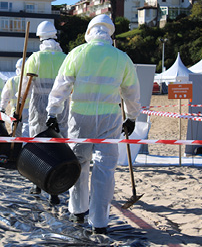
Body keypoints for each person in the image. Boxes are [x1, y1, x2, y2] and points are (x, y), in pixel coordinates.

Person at [46, 14, 141, 234]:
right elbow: (132, 92)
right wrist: (132, 117)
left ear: (89, 31)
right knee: (105, 169)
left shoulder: (78, 53)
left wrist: (53, 111)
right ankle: (100, 222)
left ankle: (78, 211)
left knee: (78, 164)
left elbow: (61, 85)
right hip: (110, 119)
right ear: (110, 33)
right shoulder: (121, 57)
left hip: (80, 118)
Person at [21, 20, 70, 205]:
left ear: (40, 38)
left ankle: (38, 184)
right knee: (58, 145)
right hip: (60, 106)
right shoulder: (64, 58)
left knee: (38, 143)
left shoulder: (34, 58)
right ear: (55, 36)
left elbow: (25, 87)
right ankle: (55, 189)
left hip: (39, 105)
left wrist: (18, 108)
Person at [0, 58, 29, 138]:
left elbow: (5, 97)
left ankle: (17, 149)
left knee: (16, 135)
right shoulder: (31, 80)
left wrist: (2, 109)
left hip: (16, 111)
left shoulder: (12, 81)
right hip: (30, 111)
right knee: (28, 134)